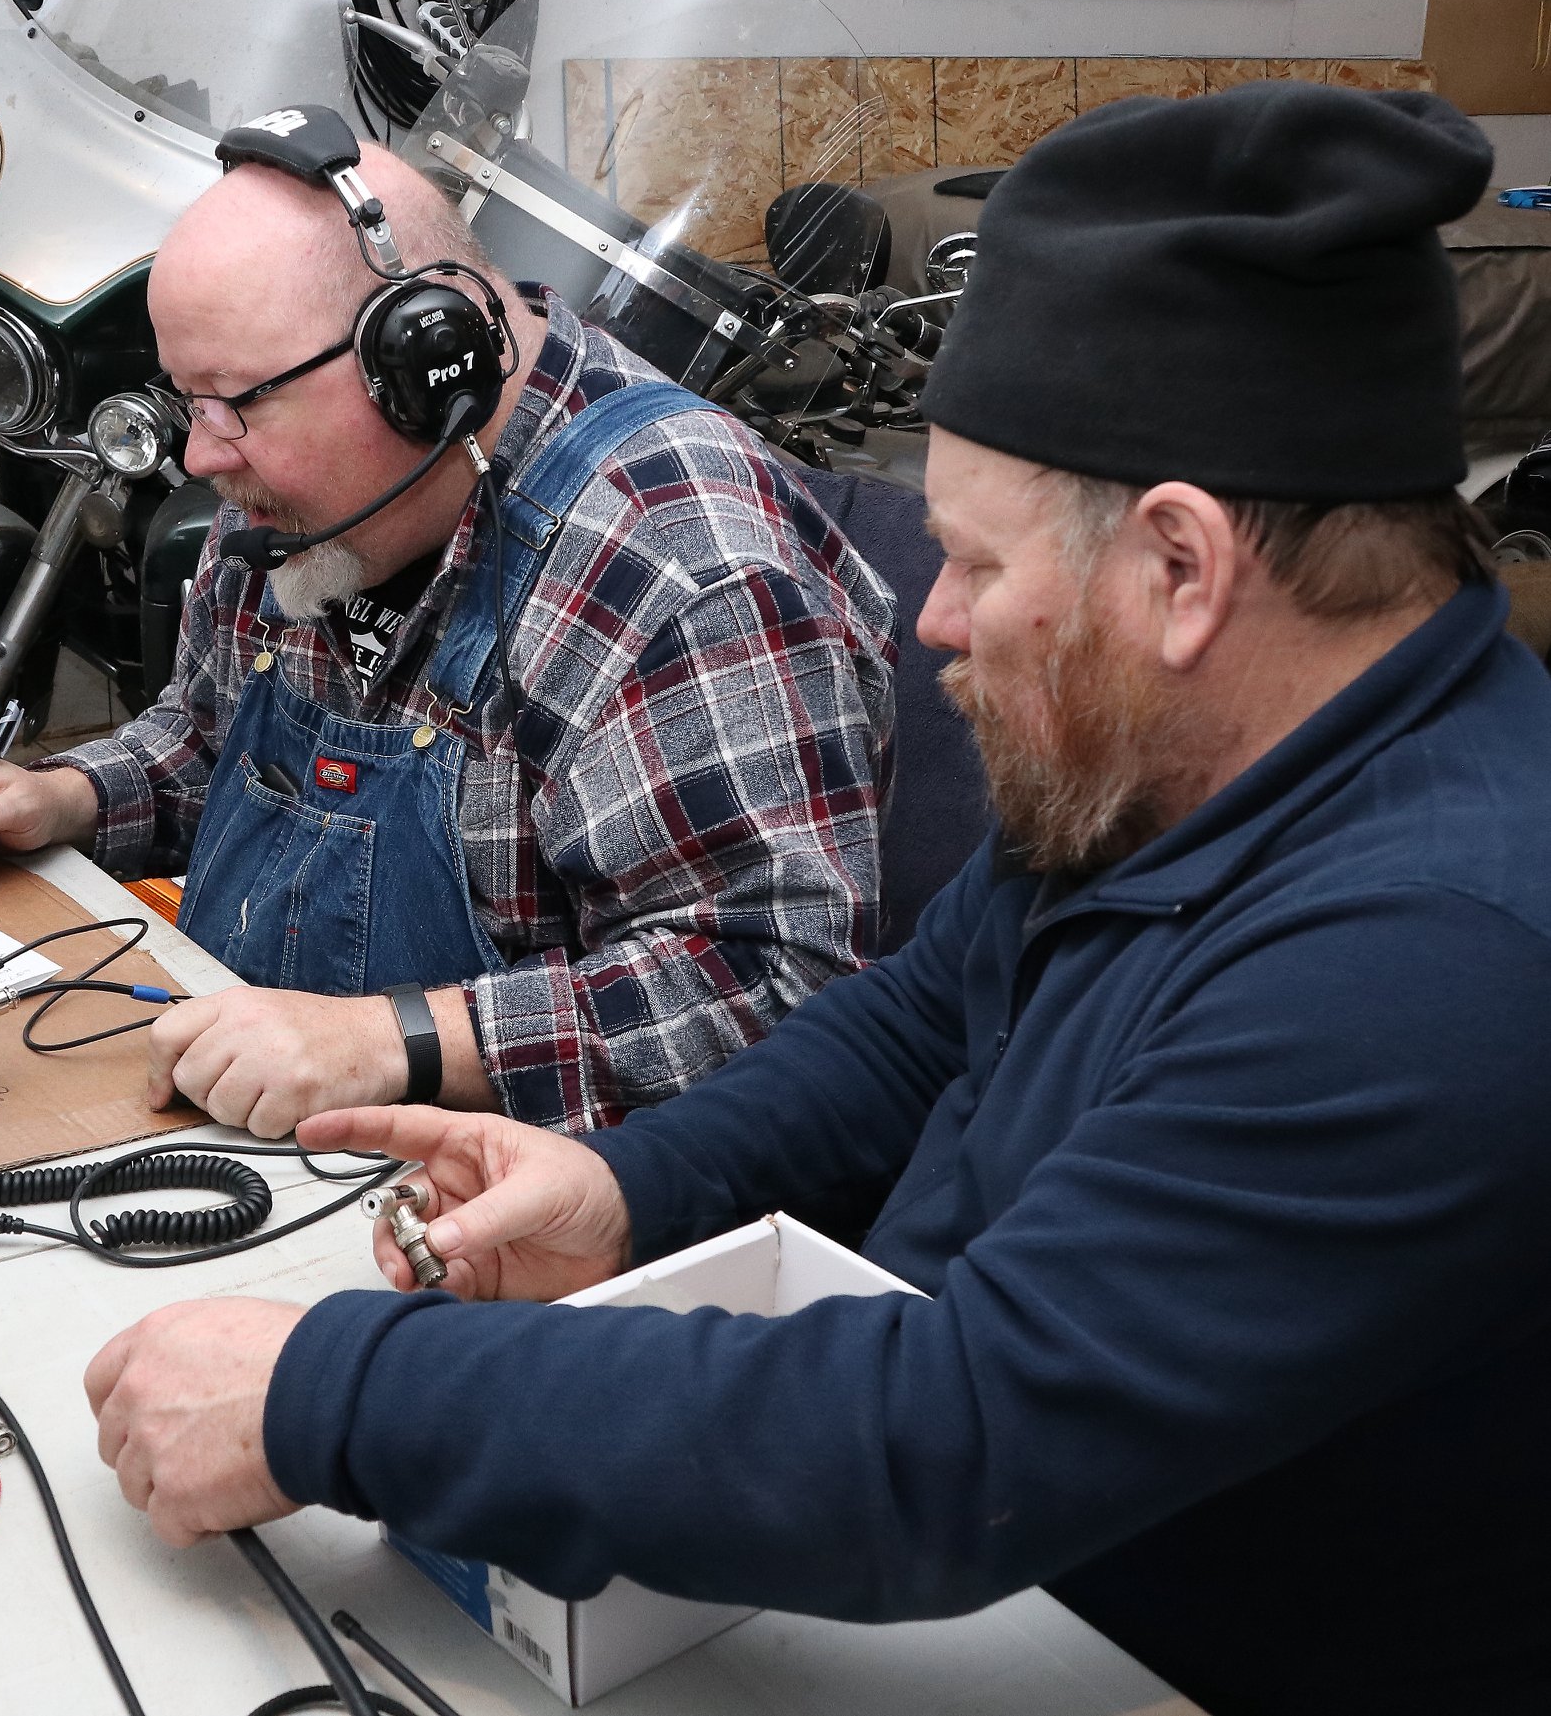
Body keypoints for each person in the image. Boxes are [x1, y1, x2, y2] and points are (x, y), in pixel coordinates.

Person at [82, 85, 1551, 1716]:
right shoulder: (1204, 755)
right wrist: (627, 1188)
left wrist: (327, 1392)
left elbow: (946, 1436)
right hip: (992, 1596)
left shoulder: (1432, 955)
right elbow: (919, 1013)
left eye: (983, 565)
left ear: (1185, 569)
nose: (932, 619)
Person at [0, 125, 900, 1139]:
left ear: (425, 364)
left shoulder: (682, 567)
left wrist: (388, 1046)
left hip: (527, 1221)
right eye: (186, 399)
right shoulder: (301, 489)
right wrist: (64, 796)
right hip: (247, 1131)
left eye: (235, 404)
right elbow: (210, 736)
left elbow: (772, 984)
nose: (201, 455)